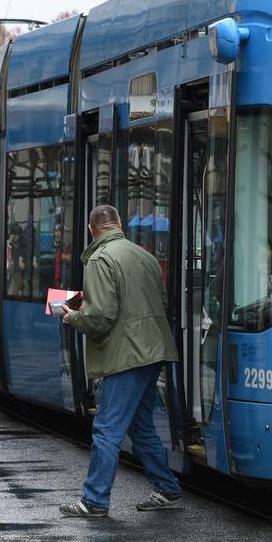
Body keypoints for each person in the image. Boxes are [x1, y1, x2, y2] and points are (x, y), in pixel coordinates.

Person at [58, 205, 182, 517]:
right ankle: (166, 487)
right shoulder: (144, 255)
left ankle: (94, 500)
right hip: (153, 351)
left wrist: (73, 316)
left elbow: (100, 318)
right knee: (141, 426)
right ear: (119, 224)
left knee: (107, 430)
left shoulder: (100, 259)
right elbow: (161, 301)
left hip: (125, 356)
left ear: (91, 229)